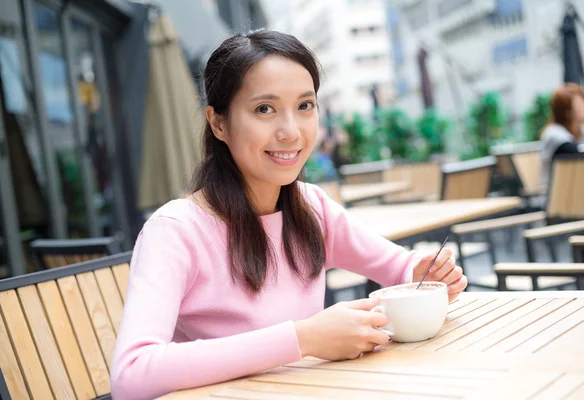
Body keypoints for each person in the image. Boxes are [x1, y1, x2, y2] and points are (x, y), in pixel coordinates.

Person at [110, 30, 467, 399]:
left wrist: (426, 274)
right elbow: (132, 375)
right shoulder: (176, 231)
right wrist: (303, 338)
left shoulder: (312, 207)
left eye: (304, 106)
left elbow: (400, 269)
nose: (291, 131)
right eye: (264, 109)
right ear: (218, 123)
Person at [540, 83, 584, 185]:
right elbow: (575, 151)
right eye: (580, 104)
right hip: (557, 194)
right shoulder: (553, 134)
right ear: (567, 111)